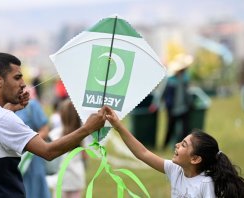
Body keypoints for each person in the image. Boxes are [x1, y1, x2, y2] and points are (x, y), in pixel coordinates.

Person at [0, 52, 107, 198]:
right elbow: (48, 151)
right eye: (17, 77)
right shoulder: (2, 118)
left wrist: (11, 108)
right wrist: (88, 128)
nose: (23, 84)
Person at [104, 106, 244, 197]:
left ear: (195, 159)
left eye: (183, 145)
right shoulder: (175, 170)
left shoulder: (205, 184)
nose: (177, 145)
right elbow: (143, 153)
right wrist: (118, 126)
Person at [15, 96, 51, 198]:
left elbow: (45, 129)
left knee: (35, 190)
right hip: (12, 160)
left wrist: (28, 142)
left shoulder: (32, 106)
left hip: (32, 159)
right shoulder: (2, 108)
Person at [162, 54, 193, 148]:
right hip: (172, 108)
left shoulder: (185, 78)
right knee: (170, 127)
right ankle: (165, 145)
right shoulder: (170, 80)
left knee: (185, 129)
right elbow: (164, 93)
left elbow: (187, 92)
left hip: (184, 107)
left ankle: (184, 146)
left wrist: (190, 103)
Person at [57, 99, 87, 198]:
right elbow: (85, 155)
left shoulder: (56, 133)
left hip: (61, 177)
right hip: (76, 176)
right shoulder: (82, 136)